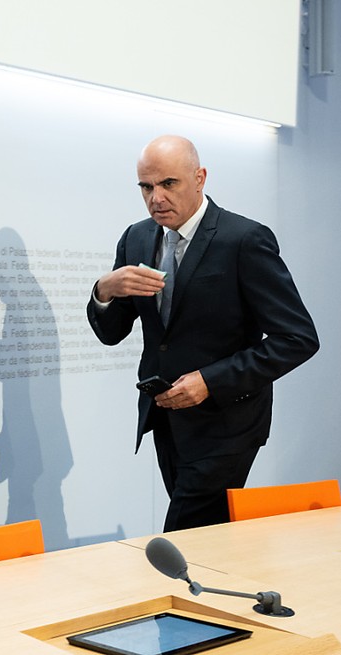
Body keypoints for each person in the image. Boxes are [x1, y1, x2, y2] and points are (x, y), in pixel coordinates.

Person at [86, 135, 318, 532]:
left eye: (168, 184)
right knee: (206, 541)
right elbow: (113, 332)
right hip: (165, 416)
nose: (156, 198)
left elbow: (297, 338)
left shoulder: (244, 239)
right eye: (146, 187)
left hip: (227, 423)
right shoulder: (137, 238)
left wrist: (209, 381)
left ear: (200, 178)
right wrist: (103, 291)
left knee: (183, 535)